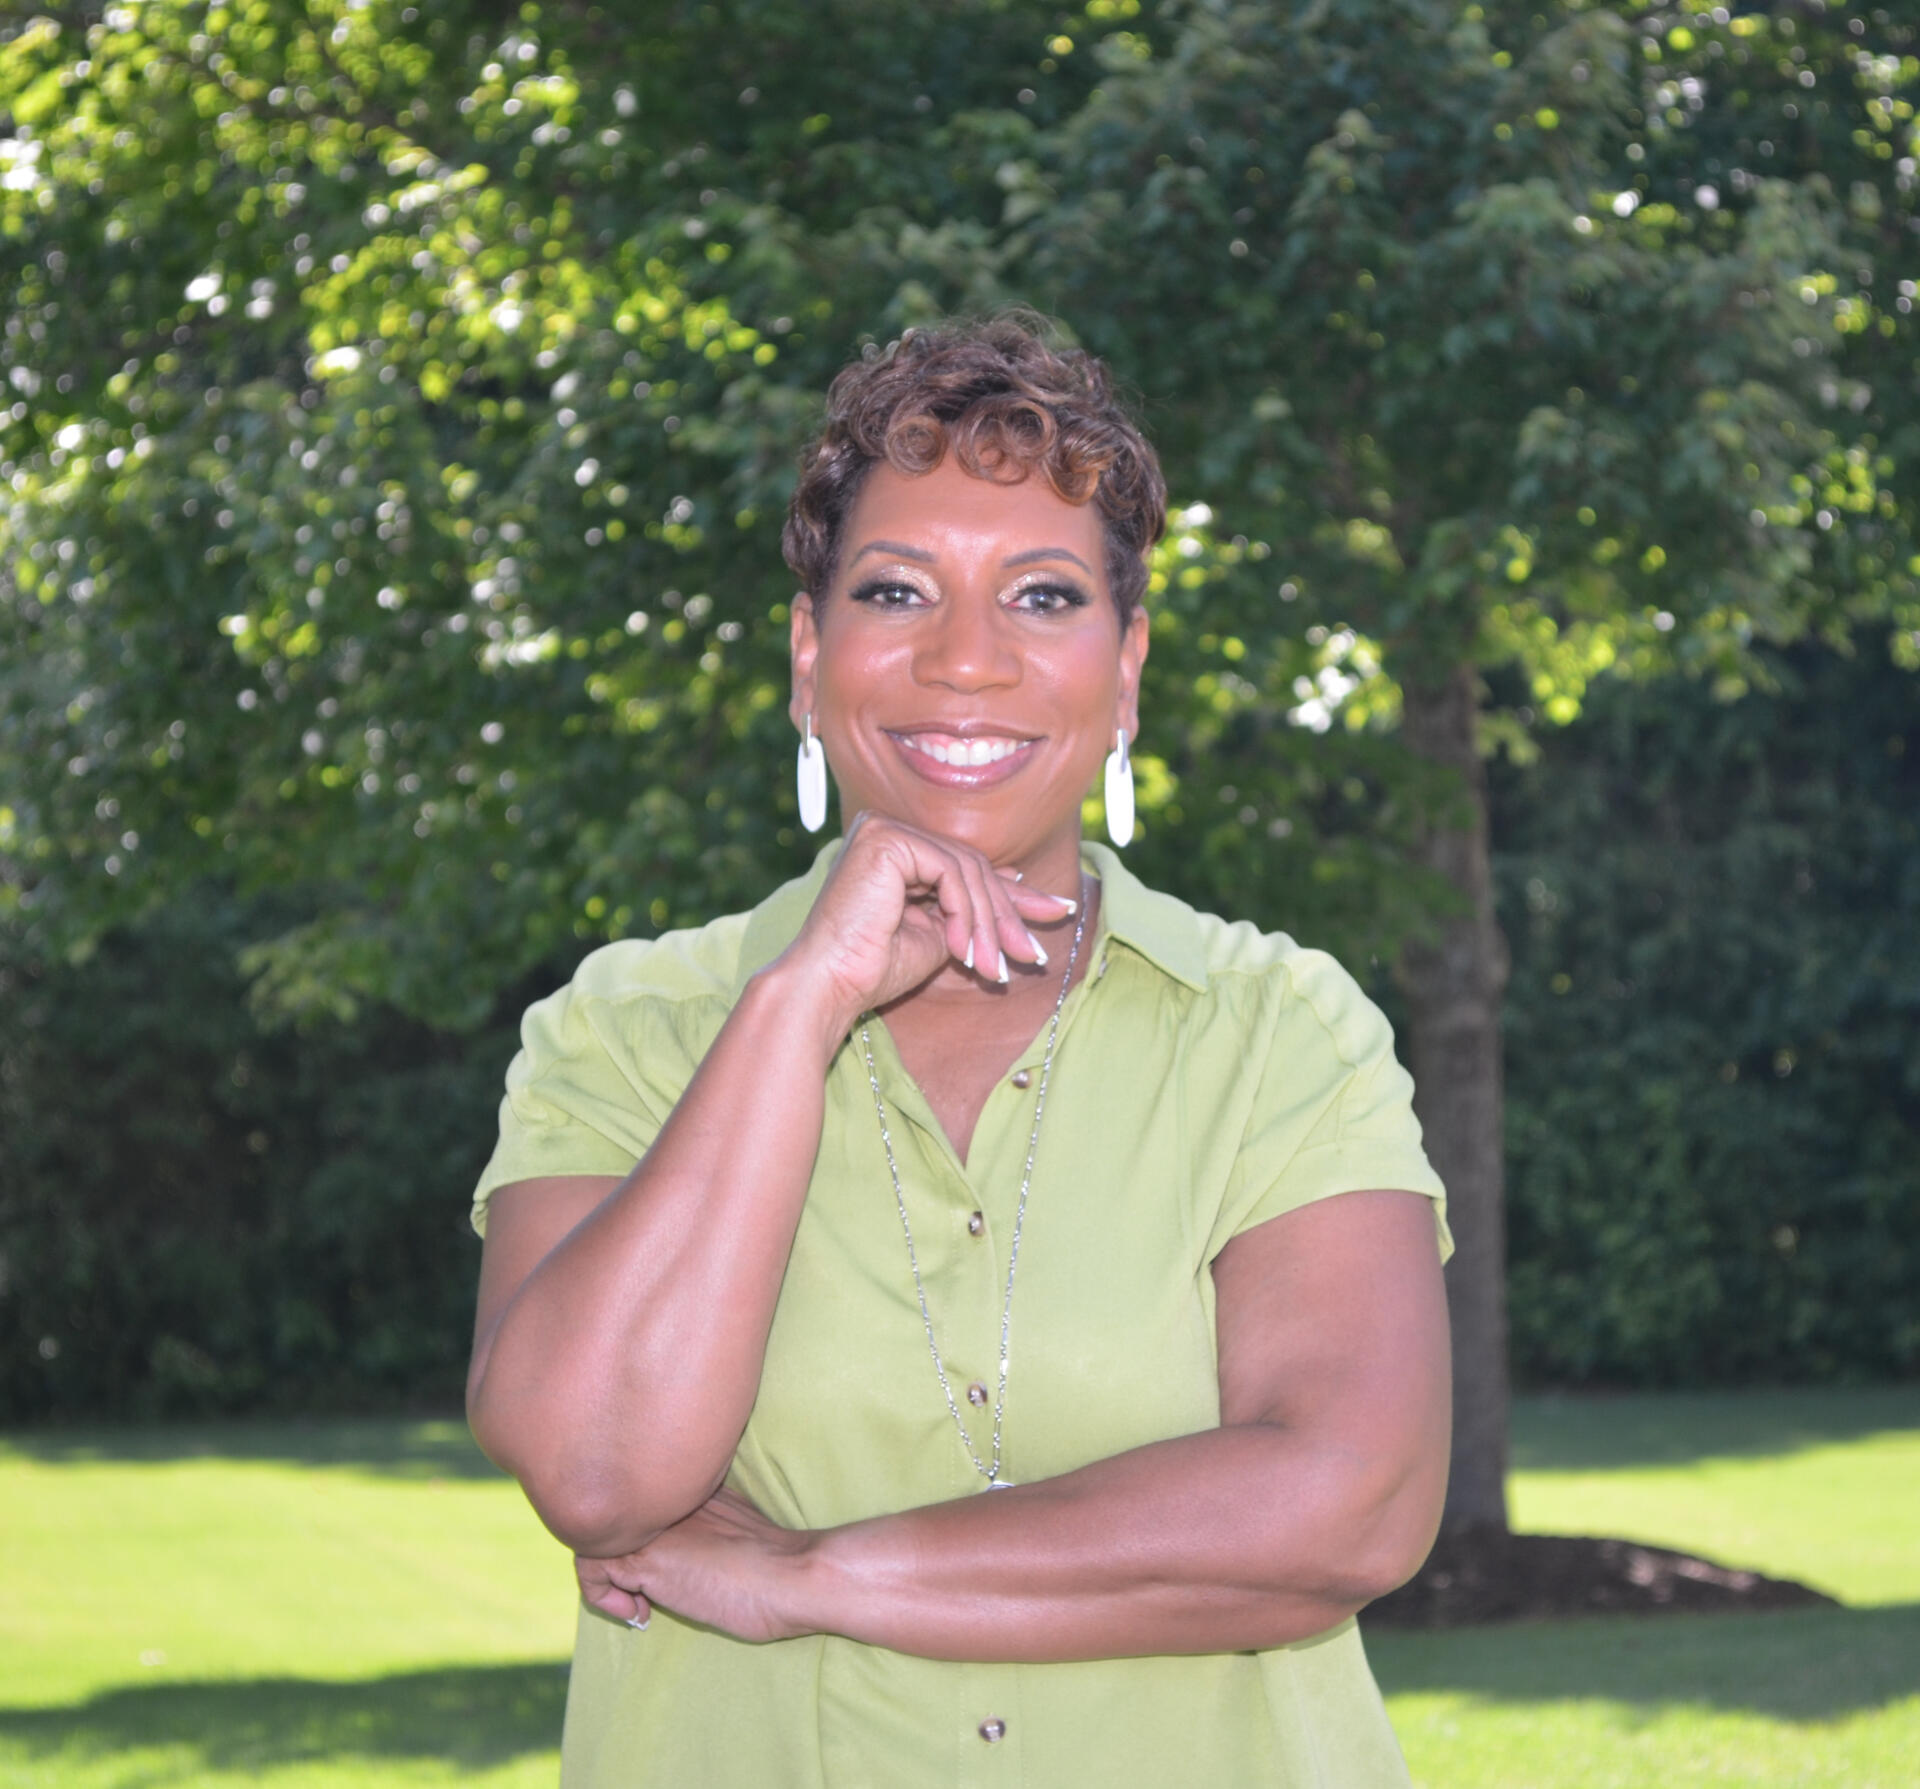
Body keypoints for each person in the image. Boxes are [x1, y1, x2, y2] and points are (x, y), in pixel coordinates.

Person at [464, 314, 1453, 1787]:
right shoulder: (626, 1030)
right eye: (895, 590)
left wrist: (810, 1574)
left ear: (1126, 671)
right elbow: (599, 1470)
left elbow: (1351, 1505)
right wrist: (798, 1004)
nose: (967, 659)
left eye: (1043, 596)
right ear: (810, 659)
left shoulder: (1281, 1032)